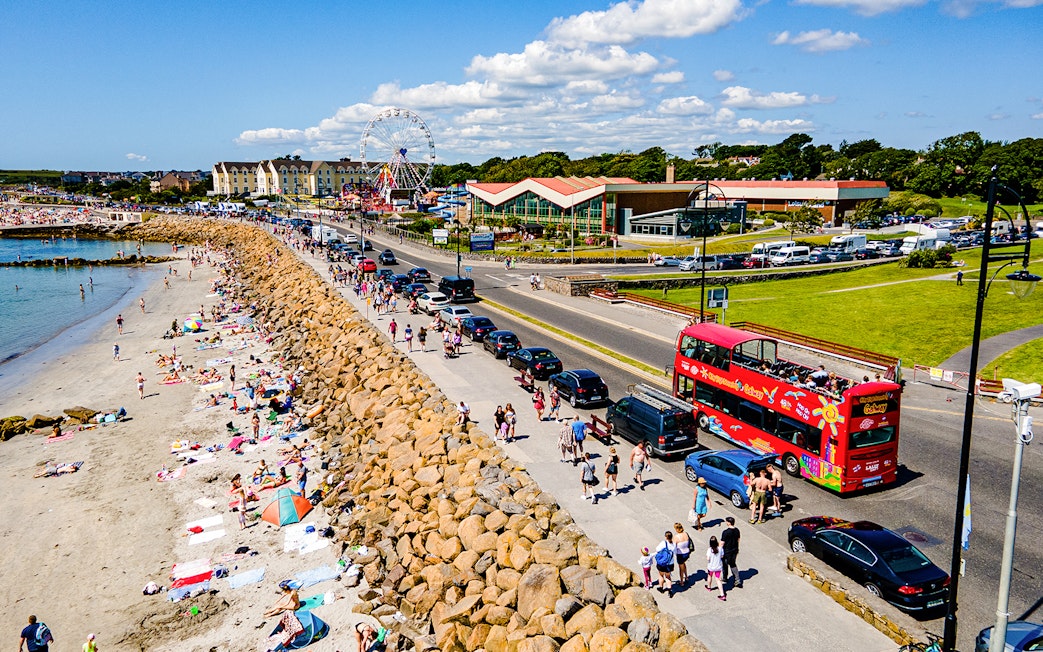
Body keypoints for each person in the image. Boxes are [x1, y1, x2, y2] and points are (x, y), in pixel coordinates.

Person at [721, 516, 742, 588]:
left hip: (726, 551)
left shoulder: (725, 532)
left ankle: (725, 578)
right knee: (733, 564)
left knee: (725, 565)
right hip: (734, 550)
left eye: (726, 521)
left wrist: (719, 551)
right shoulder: (737, 530)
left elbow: (722, 543)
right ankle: (737, 579)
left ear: (729, 523)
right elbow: (738, 540)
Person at [654, 531, 676, 596]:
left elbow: (657, 549)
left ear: (666, 537)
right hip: (670, 563)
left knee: (661, 575)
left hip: (662, 563)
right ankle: (670, 591)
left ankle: (661, 588)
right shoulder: (674, 544)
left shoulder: (664, 543)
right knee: (668, 576)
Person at [705, 535, 726, 601]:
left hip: (711, 567)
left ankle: (709, 587)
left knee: (709, 576)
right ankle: (722, 594)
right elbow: (722, 556)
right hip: (718, 567)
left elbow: (708, 558)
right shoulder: (720, 549)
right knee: (718, 580)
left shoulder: (709, 550)